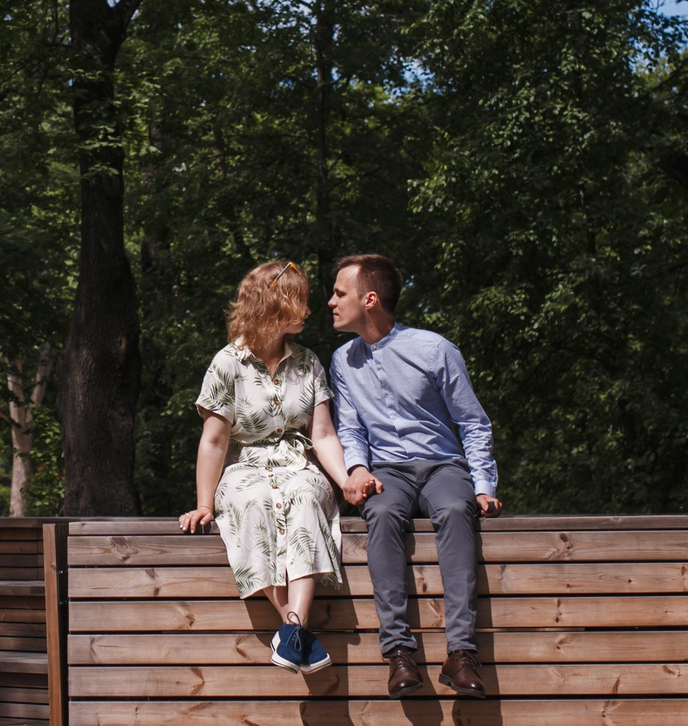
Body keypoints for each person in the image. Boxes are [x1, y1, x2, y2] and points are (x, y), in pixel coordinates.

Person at [178, 261, 377, 673]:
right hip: (244, 465)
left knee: (306, 493)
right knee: (252, 500)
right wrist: (203, 504)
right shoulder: (227, 364)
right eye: (299, 301)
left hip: (297, 462)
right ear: (273, 304)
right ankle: (297, 633)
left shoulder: (308, 363)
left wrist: (344, 482)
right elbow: (214, 440)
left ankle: (292, 629)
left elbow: (322, 435)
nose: (307, 311)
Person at [326, 252, 501, 699]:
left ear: (369, 299)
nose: (330, 302)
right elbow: (349, 427)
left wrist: (483, 485)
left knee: (455, 508)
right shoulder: (342, 361)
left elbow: (473, 423)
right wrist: (358, 467)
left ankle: (462, 654)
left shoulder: (434, 349)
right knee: (380, 514)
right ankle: (399, 653)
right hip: (388, 472)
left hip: (443, 465)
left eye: (339, 293)